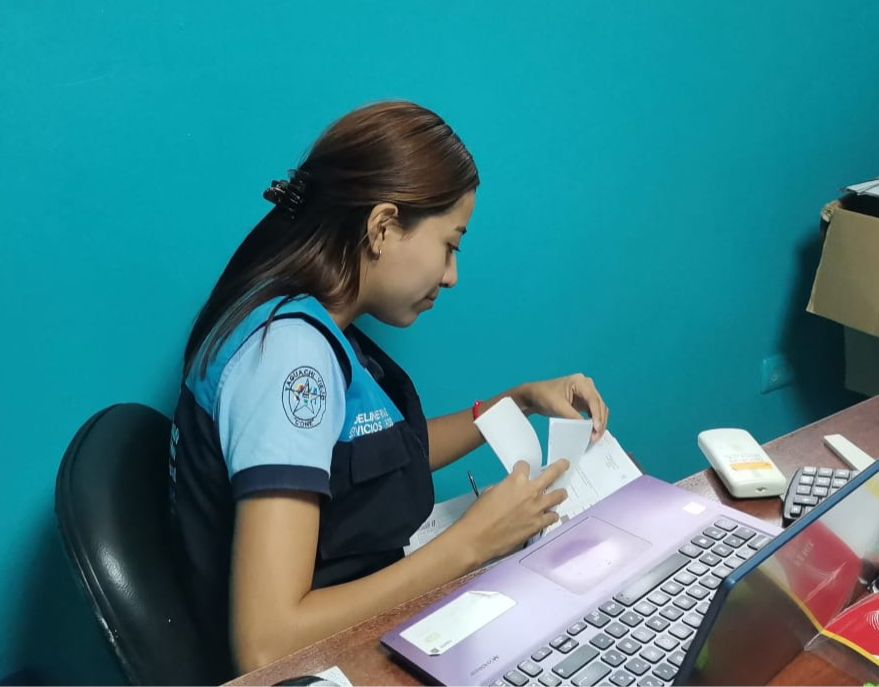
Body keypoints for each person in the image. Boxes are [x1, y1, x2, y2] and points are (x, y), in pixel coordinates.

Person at [168, 100, 609, 678]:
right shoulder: (289, 358)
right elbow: (267, 645)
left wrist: (516, 402)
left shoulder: (309, 322)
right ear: (382, 226)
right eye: (451, 244)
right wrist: (470, 545)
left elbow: (372, 461)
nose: (452, 275)